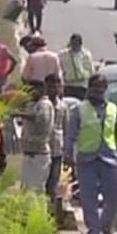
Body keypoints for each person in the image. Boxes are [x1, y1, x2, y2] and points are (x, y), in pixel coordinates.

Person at [65, 73, 117, 234]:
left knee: (113, 197)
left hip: (110, 158)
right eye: (95, 86)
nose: (98, 90)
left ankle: (106, 227)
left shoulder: (113, 109)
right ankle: (93, 231)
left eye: (102, 86)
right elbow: (71, 135)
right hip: (87, 159)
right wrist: (68, 155)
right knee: (88, 198)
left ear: (106, 89)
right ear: (90, 87)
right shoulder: (80, 109)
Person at [20, 80, 55, 194]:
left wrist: (19, 113)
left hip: (39, 154)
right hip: (29, 151)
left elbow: (41, 120)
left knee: (37, 189)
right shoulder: (32, 104)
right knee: (26, 189)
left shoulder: (44, 104)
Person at [45, 74, 67, 206]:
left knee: (53, 182)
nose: (53, 89)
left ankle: (51, 211)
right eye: (50, 86)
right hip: (43, 149)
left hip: (57, 149)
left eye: (56, 86)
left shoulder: (63, 107)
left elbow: (66, 127)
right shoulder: (41, 105)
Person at [61, 33, 94, 99]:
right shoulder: (63, 54)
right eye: (72, 43)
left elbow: (91, 69)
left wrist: (91, 84)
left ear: (80, 43)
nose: (74, 45)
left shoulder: (86, 54)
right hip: (69, 85)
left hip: (82, 85)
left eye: (76, 43)